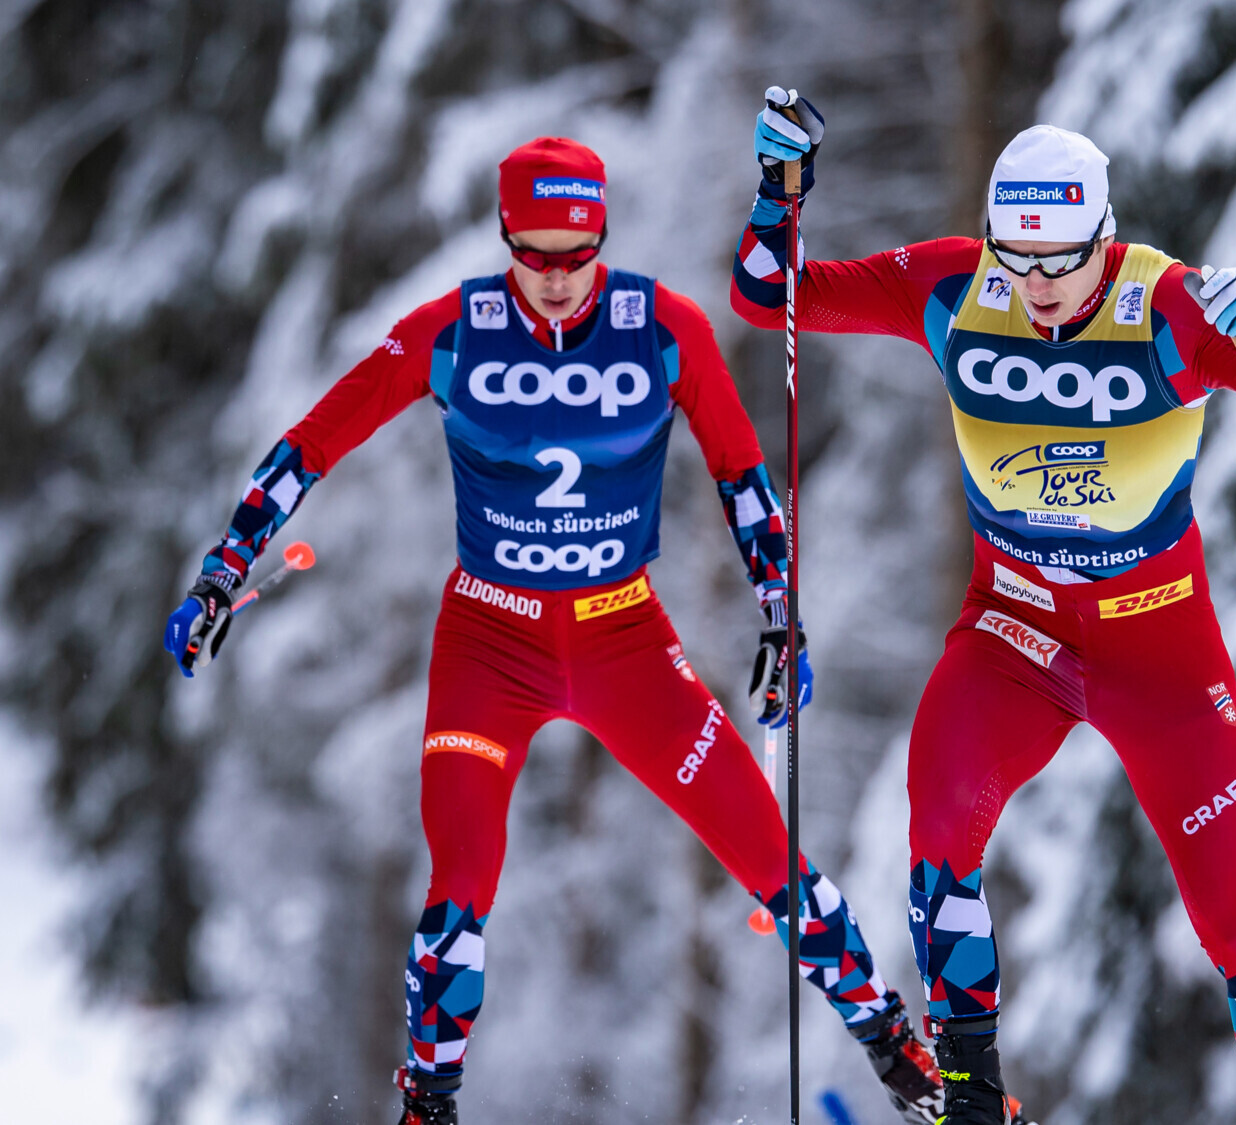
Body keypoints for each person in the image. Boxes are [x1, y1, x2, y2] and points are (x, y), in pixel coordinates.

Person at [163, 137, 945, 1125]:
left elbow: (742, 471)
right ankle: (428, 1103)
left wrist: (781, 615)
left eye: (578, 254)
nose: (558, 279)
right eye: (535, 255)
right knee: (460, 887)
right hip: (488, 647)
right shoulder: (453, 331)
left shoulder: (661, 326)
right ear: (505, 239)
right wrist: (225, 567)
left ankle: (898, 1054)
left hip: (625, 642)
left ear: (602, 236)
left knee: (768, 855)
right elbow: (314, 439)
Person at [733, 91, 1236, 1125]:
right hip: (1012, 628)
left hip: (1155, 645)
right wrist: (776, 190)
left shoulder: (1166, 307)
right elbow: (772, 298)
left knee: (1233, 916)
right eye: (1014, 263)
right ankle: (971, 1099)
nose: (1035, 290)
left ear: (1103, 241)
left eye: (1059, 263)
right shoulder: (951, 288)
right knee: (937, 821)